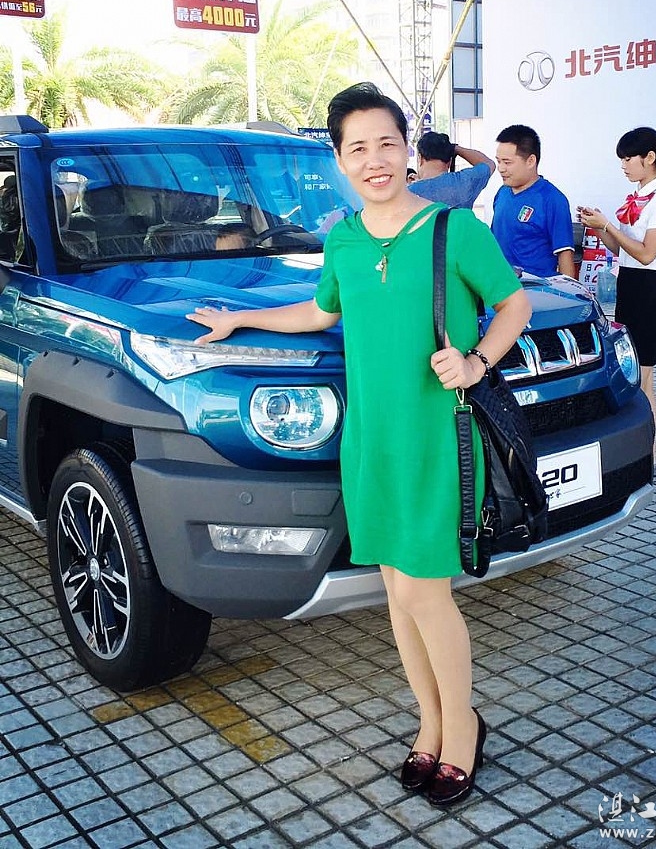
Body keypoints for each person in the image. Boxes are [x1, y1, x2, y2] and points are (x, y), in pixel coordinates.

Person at [187, 82, 531, 806]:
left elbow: (515, 303)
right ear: (340, 161)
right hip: (372, 438)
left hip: (437, 435)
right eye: (357, 148)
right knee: (395, 592)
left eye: (386, 143)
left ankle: (463, 726)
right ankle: (429, 721)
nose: (374, 160)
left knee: (426, 589)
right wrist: (239, 320)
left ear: (407, 150)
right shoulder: (343, 238)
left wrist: (477, 362)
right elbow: (319, 312)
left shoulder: (452, 229)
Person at [577, 127, 656, 470]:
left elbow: (646, 254)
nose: (624, 165)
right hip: (629, 287)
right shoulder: (639, 197)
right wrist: (599, 227)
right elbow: (621, 250)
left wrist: (609, 226)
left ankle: (650, 456)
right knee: (635, 379)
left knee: (643, 381)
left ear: (650, 157)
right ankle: (644, 455)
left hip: (648, 291)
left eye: (629, 158)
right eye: (622, 159)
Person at [491, 124, 575, 278]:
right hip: (499, 286)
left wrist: (568, 291)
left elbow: (565, 254)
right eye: (499, 161)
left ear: (530, 161)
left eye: (507, 162)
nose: (501, 168)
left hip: (535, 289)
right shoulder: (502, 193)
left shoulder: (552, 199)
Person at [409, 131, 494, 208]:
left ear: (420, 159)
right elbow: (489, 164)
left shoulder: (408, 193)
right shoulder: (464, 181)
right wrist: (456, 149)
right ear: (449, 162)